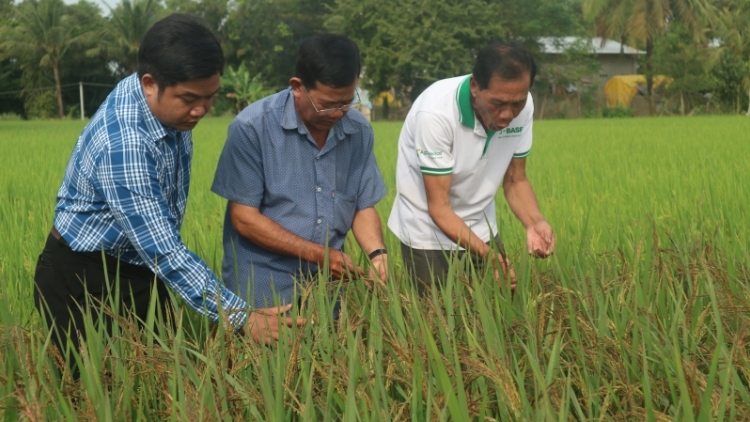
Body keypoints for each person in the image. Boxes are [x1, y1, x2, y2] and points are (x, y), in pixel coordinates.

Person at [33, 14, 301, 368]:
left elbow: (156, 250)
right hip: (83, 278)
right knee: (98, 393)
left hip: (138, 267)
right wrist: (241, 316)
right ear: (149, 83)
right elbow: (162, 250)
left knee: (159, 379)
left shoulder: (167, 106)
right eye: (189, 98)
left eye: (210, 97)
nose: (201, 110)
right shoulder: (125, 142)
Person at [211, 33, 388, 313]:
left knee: (328, 354)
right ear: (297, 86)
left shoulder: (358, 130)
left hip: (327, 284)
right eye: (327, 104)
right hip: (263, 281)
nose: (338, 114)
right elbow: (244, 219)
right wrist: (321, 255)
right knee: (267, 357)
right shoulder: (252, 128)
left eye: (346, 102)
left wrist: (377, 254)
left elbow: (362, 205)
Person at [387, 42, 556, 295]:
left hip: (481, 225)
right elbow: (439, 208)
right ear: (475, 87)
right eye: (498, 103)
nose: (507, 115)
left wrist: (534, 222)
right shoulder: (435, 114)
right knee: (439, 324)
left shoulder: (523, 105)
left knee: (498, 313)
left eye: (517, 104)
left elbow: (515, 180)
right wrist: (490, 255)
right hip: (427, 233)